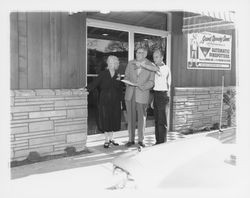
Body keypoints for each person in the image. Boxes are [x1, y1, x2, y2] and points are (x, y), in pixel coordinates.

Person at [86, 55, 122, 148]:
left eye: (114, 63)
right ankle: (106, 140)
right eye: (110, 63)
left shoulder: (118, 74)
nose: (112, 64)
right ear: (108, 63)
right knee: (106, 119)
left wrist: (121, 102)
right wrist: (86, 89)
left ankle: (111, 138)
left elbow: (120, 89)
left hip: (115, 100)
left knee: (113, 118)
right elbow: (95, 83)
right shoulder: (103, 74)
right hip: (104, 100)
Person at [124, 47, 157, 147]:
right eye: (137, 52)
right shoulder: (130, 63)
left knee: (142, 118)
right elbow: (126, 76)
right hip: (130, 94)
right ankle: (131, 139)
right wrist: (128, 83)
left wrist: (143, 87)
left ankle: (141, 140)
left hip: (142, 94)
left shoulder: (150, 65)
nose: (138, 54)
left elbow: (151, 82)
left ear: (145, 54)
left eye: (141, 53)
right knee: (130, 118)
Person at [152, 49, 171, 144]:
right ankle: (157, 142)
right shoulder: (154, 68)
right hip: (156, 94)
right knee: (156, 121)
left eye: (156, 56)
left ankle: (162, 143)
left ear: (162, 57)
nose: (154, 58)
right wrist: (152, 99)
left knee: (162, 122)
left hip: (163, 95)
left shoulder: (164, 68)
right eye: (154, 56)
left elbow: (158, 73)